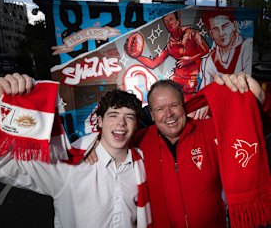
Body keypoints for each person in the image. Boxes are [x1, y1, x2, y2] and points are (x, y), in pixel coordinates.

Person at [88, 72, 271, 228]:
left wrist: (260, 101)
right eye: (160, 109)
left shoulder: (209, 130)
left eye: (174, 105)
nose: (168, 114)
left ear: (184, 106)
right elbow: (111, 140)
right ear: (152, 115)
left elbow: (253, 127)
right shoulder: (139, 140)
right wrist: (92, 145)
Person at [0, 75, 151, 228]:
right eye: (113, 115)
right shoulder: (69, 165)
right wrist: (2, 110)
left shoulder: (145, 164)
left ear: (136, 124)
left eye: (129, 117)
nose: (121, 123)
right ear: (100, 121)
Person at [125, 11, 209, 102]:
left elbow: (206, 50)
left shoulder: (193, 34)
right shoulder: (170, 45)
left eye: (171, 19)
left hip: (192, 80)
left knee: (187, 105)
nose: (169, 23)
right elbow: (153, 63)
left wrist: (189, 59)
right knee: (166, 95)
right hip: (178, 78)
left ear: (178, 20)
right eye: (166, 21)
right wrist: (136, 56)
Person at [199, 12, 253, 88]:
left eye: (225, 26)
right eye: (216, 29)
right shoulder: (209, 60)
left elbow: (248, 85)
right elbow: (205, 89)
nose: (221, 33)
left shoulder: (246, 47)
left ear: (234, 26)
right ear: (211, 34)